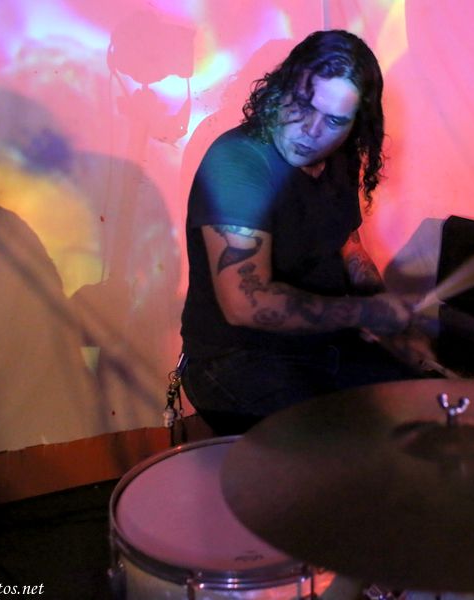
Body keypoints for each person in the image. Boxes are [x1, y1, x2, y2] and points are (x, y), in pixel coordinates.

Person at [180, 30, 421, 435]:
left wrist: (382, 305)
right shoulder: (238, 161)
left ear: (355, 124)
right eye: (303, 105)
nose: (311, 130)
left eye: (334, 120)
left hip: (325, 346)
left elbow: (349, 246)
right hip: (236, 358)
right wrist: (365, 313)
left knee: (424, 410)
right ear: (281, 89)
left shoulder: (341, 158)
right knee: (331, 446)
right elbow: (247, 302)